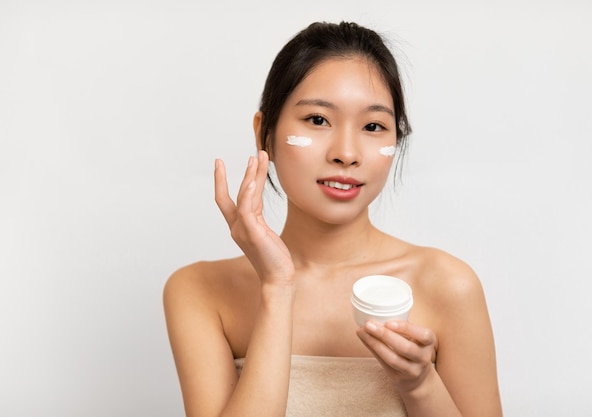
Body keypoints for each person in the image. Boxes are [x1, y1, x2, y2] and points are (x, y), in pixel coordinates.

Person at [163, 21, 502, 417]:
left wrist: (420, 383)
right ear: (264, 133)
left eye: (373, 126)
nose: (346, 153)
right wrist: (277, 286)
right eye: (318, 120)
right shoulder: (201, 291)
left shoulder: (448, 285)